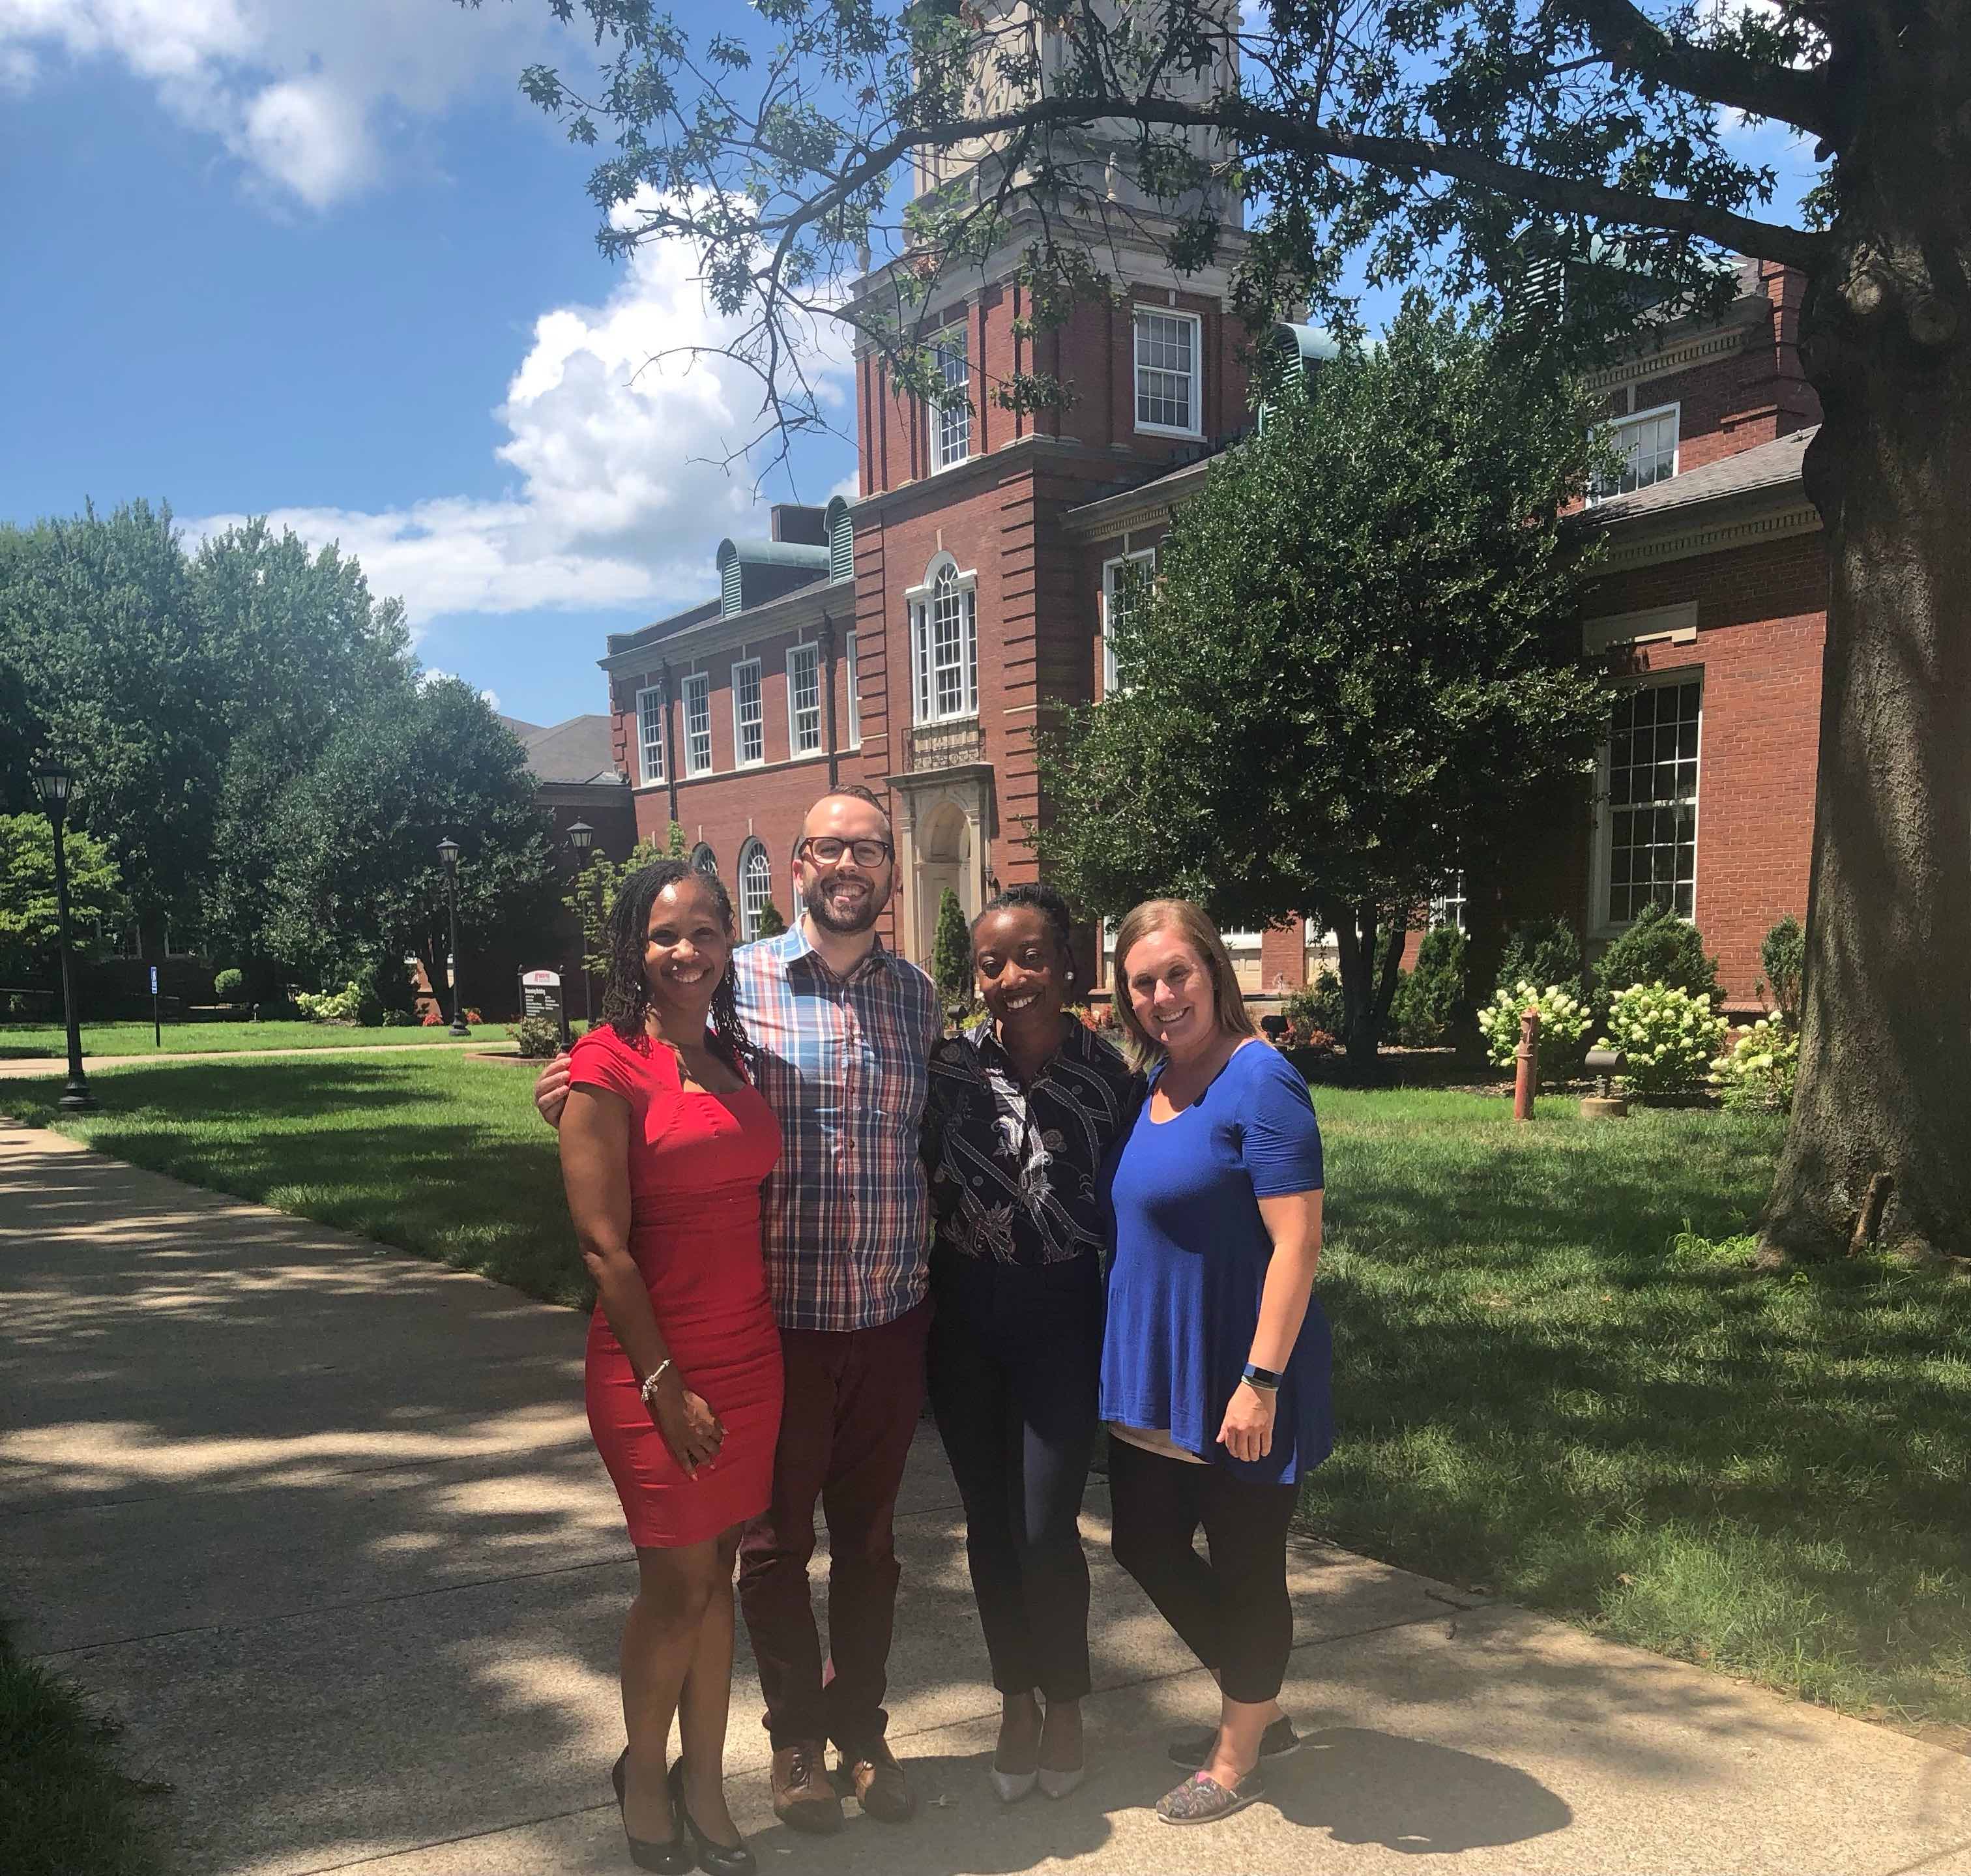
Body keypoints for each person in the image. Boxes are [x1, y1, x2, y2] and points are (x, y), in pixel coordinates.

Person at [538, 787, 940, 1836]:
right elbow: (618, 1104)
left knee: (869, 1544)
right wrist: (578, 1088)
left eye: (869, 847)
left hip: (889, 1309)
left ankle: (859, 1730)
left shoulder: (919, 997)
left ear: (890, 868)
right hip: (785, 1317)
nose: (848, 864)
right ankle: (788, 1744)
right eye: (827, 847)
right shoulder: (742, 978)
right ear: (797, 864)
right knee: (756, 1556)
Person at [559, 860, 777, 1875]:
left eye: (705, 932)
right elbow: (605, 1248)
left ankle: (705, 1781)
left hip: (749, 1353)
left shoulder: (735, 1056)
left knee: (718, 1572)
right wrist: (665, 1384)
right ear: (631, 948)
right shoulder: (604, 1065)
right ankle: (644, 1776)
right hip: (656, 1366)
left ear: (732, 943)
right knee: (676, 1578)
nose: (685, 952)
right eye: (663, 934)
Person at [1099, 898, 1329, 1828]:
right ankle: (1256, 1696)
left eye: (1177, 974)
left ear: (1214, 973)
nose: (1162, 995)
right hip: (1158, 1370)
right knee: (1143, 1541)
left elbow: (1298, 1241)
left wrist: (1261, 1378)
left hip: (1241, 1373)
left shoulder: (1259, 1079)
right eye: (1143, 981)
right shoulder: (1153, 1080)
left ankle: (1239, 1753)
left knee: (1246, 1565)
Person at [920, 884, 1142, 1804]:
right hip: (964, 1317)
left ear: (1069, 963)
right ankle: (1015, 1694)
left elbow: (1144, 1201)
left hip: (1061, 1317)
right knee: (987, 1525)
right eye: (991, 962)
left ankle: (1068, 1701)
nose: (1012, 977)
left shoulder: (1112, 1079)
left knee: (1047, 1526)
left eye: (1031, 957)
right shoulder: (947, 1068)